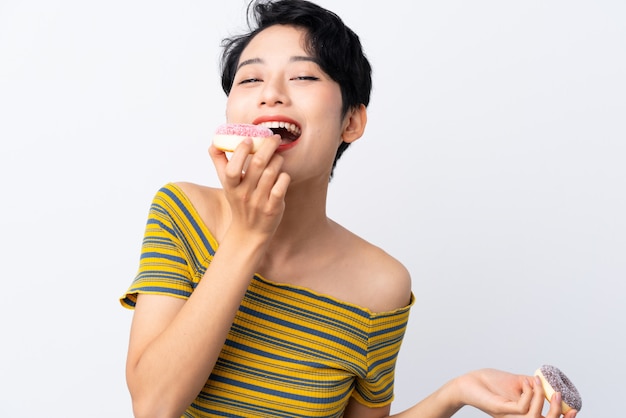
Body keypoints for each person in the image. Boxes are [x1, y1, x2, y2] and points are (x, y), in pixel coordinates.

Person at [120, 1, 578, 417]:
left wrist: (455, 393)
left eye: (303, 77)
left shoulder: (382, 286)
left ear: (352, 121)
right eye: (251, 78)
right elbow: (154, 405)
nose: (271, 94)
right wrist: (248, 235)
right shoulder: (182, 212)